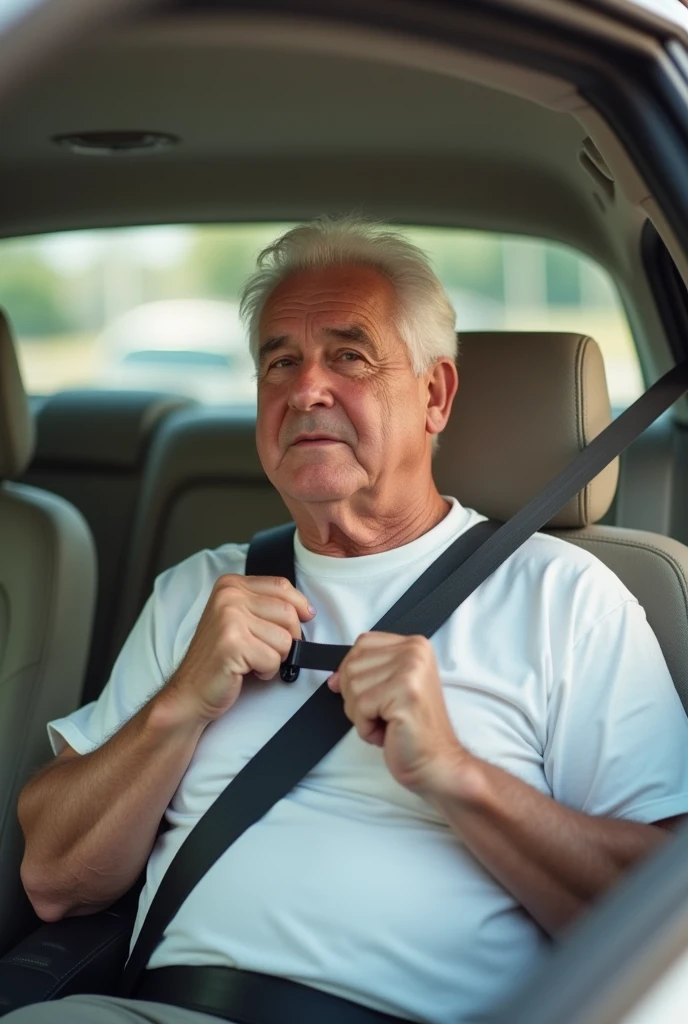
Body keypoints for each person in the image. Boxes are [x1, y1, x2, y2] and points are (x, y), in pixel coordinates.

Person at [11, 218, 688, 1024]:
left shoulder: (564, 597)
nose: (305, 389)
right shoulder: (200, 590)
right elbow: (53, 878)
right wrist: (178, 707)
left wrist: (455, 773)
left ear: (435, 395)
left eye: (349, 356)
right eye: (280, 361)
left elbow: (665, 923)